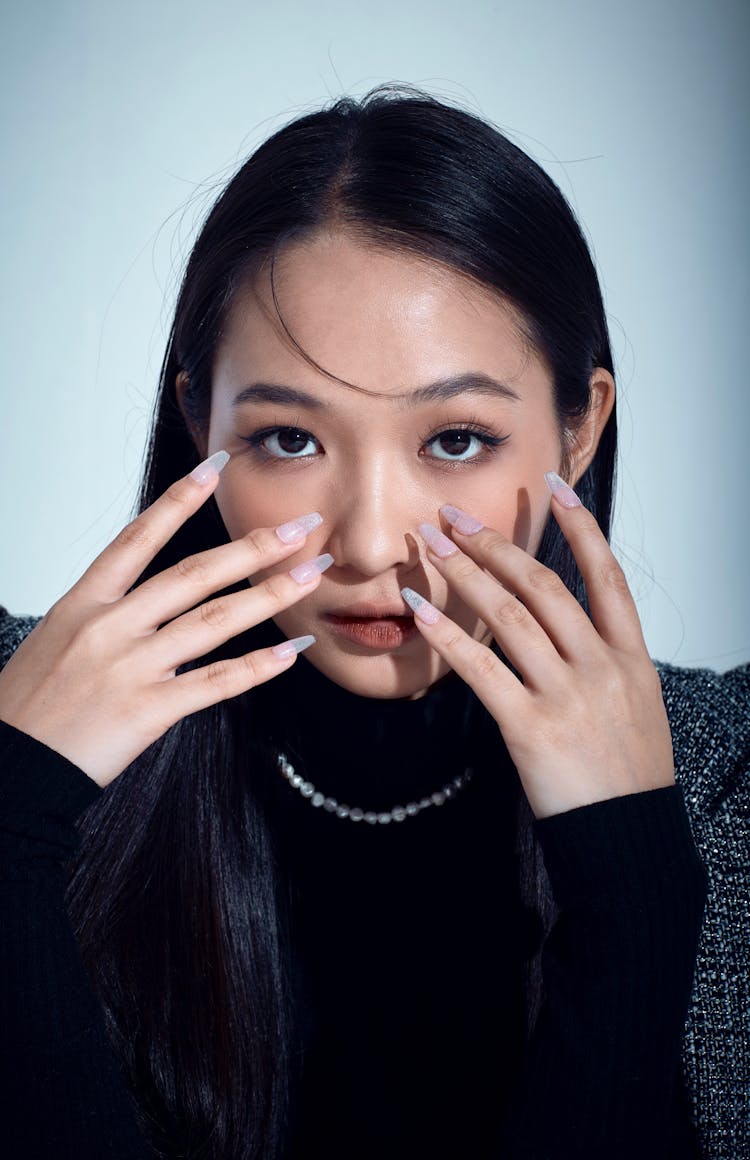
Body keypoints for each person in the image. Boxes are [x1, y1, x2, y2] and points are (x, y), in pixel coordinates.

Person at [0, 87, 746, 1160]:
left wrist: (630, 887)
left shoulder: (722, 780)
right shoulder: (21, 729)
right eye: (291, 440)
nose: (367, 541)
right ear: (197, 421)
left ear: (578, 433)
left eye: (454, 439)